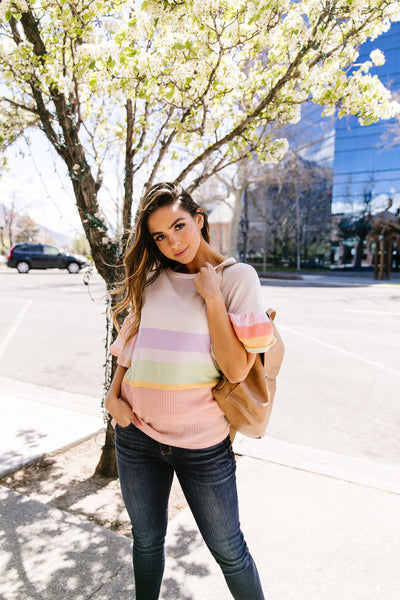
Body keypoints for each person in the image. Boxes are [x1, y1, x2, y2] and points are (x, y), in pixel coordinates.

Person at [105, 182, 275, 600]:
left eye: (179, 226)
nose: (172, 242)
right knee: (145, 542)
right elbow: (130, 345)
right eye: (160, 236)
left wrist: (213, 298)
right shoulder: (152, 279)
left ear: (199, 220)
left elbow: (237, 367)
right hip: (136, 436)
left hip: (202, 445)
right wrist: (113, 398)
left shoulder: (237, 278)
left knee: (229, 551)